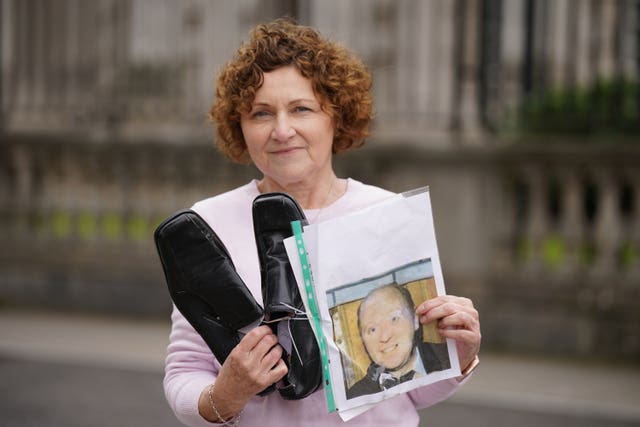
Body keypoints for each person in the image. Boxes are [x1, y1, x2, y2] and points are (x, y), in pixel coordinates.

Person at [163, 18, 481, 427]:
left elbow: (414, 389)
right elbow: (184, 371)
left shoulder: (386, 214)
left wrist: (462, 353)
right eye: (261, 113)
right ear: (239, 126)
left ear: (337, 116)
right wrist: (226, 394)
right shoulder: (207, 225)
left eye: (301, 109)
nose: (282, 130)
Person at [346, 284, 450, 399]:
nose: (384, 337)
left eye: (394, 319)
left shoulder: (451, 357)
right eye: (372, 329)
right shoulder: (354, 396)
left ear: (415, 320)